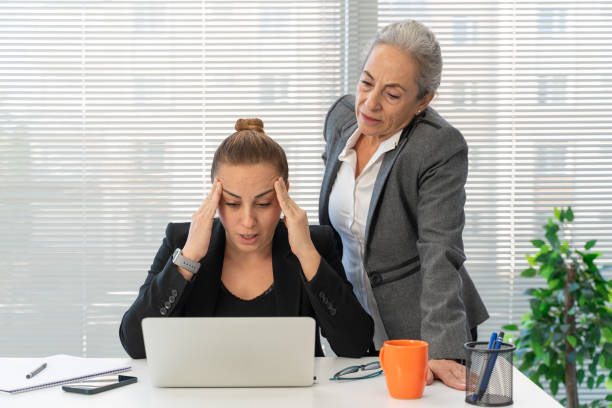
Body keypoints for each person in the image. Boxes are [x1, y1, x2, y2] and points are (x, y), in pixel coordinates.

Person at [318, 20, 489, 389]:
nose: (370, 102)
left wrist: (443, 347)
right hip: (356, 326)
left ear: (422, 101)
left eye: (393, 94)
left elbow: (439, 249)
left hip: (423, 327)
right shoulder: (340, 119)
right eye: (367, 82)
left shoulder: (438, 147)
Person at [120, 118, 373, 359]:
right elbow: (135, 344)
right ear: (215, 198)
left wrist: (306, 254)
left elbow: (356, 345)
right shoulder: (182, 242)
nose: (248, 221)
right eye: (232, 203)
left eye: (263, 203)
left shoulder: (314, 245)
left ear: (284, 194)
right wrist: (188, 259)